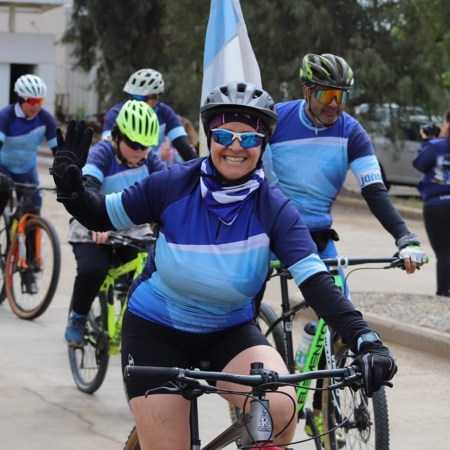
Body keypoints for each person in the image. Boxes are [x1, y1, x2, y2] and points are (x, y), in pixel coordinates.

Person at [51, 81, 397, 450]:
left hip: (229, 331)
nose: (235, 146)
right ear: (209, 138)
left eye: (248, 138)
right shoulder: (172, 184)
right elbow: (102, 214)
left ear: (262, 145)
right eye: (223, 135)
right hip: (155, 331)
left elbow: (316, 281)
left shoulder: (275, 208)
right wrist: (73, 192)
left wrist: (365, 339)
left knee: (281, 407)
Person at [262, 53, 426, 436]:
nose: (335, 105)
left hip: (318, 240)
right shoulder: (276, 120)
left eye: (342, 96)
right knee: (240, 301)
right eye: (326, 95)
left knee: (341, 319)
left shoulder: (351, 132)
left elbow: (375, 191)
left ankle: (321, 407)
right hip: (271, 234)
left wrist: (404, 236)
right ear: (306, 91)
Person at [64, 100, 166, 345]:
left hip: (132, 227)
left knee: (154, 270)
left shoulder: (150, 160)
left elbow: (169, 190)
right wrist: (96, 221)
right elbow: (87, 189)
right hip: (93, 221)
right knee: (93, 270)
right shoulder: (102, 153)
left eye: (145, 146)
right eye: (133, 144)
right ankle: (78, 316)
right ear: (118, 136)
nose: (139, 151)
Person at [102, 68, 197, 163]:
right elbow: (105, 151)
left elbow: (184, 148)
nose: (136, 101)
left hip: (150, 166)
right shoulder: (114, 115)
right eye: (134, 97)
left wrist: (200, 168)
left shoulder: (165, 113)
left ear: (156, 99)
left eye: (141, 98)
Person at [0, 74, 57, 216]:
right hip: (3, 168)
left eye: (40, 101)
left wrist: (64, 175)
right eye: (32, 101)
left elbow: (59, 152)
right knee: (3, 193)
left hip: (27, 170)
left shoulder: (46, 118)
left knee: (33, 210)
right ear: (20, 99)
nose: (36, 106)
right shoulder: (5, 116)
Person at [413, 109, 450, 297]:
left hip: (437, 205)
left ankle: (444, 293)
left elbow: (419, 163)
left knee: (444, 251)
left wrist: (427, 141)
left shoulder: (436, 146)